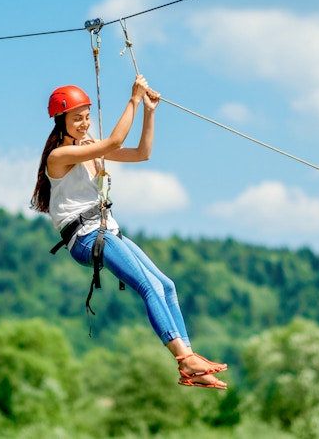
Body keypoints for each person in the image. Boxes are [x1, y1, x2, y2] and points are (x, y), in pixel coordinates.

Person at [31, 75, 228, 389]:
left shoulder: (87, 148)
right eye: (76, 119)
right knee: (147, 286)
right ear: (60, 121)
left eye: (85, 117)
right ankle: (183, 359)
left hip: (106, 229)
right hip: (86, 237)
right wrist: (133, 99)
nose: (83, 124)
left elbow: (141, 153)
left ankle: (191, 361)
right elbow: (113, 143)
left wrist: (149, 111)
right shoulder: (59, 156)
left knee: (166, 285)